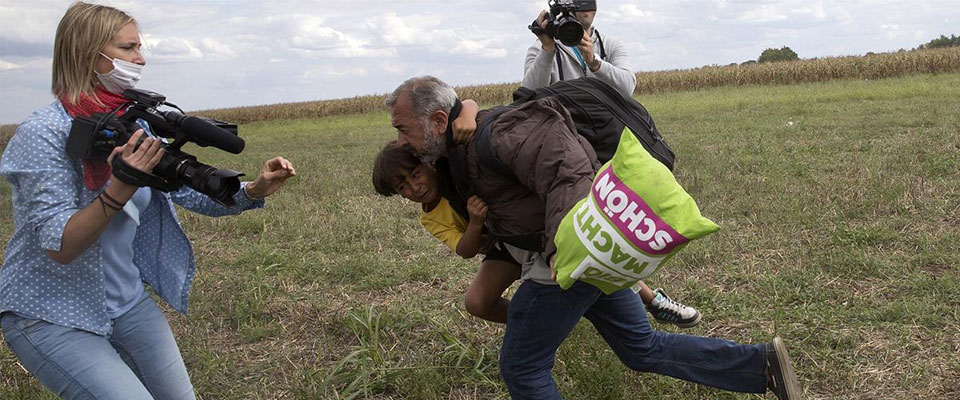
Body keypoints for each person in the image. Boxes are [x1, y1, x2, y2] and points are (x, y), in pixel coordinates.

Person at [387, 75, 801, 399]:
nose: (401, 140)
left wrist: (561, 254)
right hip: (585, 255)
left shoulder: (497, 132)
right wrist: (467, 109)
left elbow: (567, 170)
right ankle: (760, 365)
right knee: (642, 348)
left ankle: (757, 363)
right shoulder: (455, 144)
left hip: (568, 258)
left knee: (522, 367)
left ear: (438, 120)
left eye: (403, 129)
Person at [0, 3, 295, 399]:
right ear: (88, 54)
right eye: (128, 48)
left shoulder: (132, 123)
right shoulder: (44, 133)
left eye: (140, 47)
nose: (141, 59)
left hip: (126, 303)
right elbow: (61, 246)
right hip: (51, 312)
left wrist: (252, 191)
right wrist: (121, 184)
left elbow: (183, 188)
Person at [372, 140, 702, 327]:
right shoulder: (429, 216)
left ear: (427, 163)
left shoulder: (452, 168)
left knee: (591, 254)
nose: (414, 187)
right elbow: (464, 250)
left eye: (414, 174)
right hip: (499, 247)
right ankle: (543, 327)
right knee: (477, 302)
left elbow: (466, 117)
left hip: (526, 228)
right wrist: (474, 223)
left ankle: (656, 301)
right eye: (402, 187)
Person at [523, 0, 637, 98]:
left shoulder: (610, 45)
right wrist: (547, 50)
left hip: (604, 122)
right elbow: (528, 96)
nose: (584, 3)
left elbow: (628, 88)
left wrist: (595, 63)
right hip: (561, 122)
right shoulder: (541, 48)